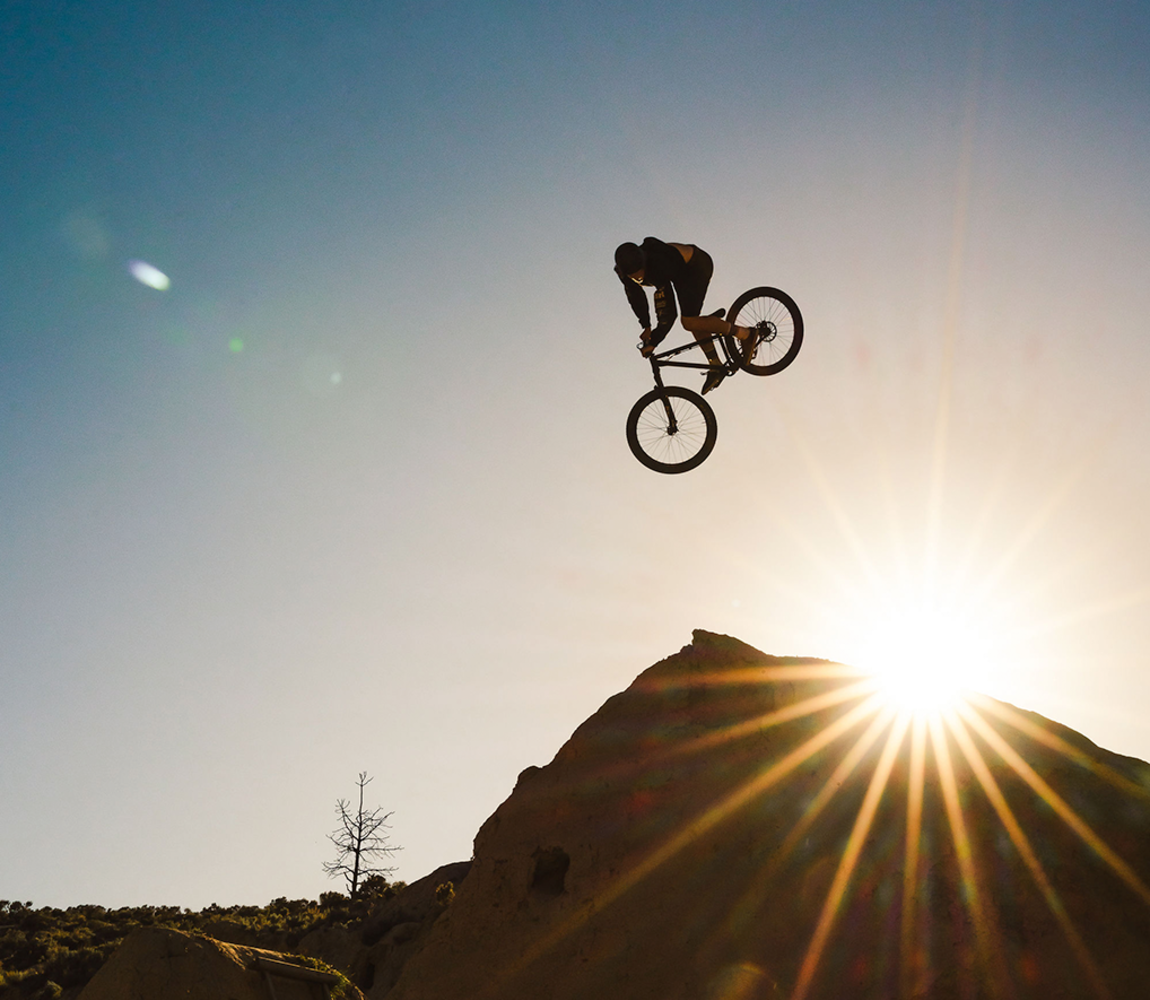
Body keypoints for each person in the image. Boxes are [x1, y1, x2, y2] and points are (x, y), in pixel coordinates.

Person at [614, 238, 752, 394]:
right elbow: (635, 297)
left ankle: (746, 334)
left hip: (696, 265)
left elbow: (669, 312)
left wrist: (655, 340)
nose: (637, 276)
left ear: (644, 261)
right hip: (679, 275)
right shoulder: (623, 272)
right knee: (694, 322)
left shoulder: (658, 265)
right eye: (633, 274)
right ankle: (716, 365)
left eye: (639, 270)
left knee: (689, 322)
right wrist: (646, 325)